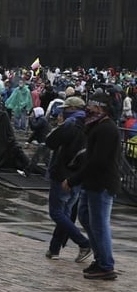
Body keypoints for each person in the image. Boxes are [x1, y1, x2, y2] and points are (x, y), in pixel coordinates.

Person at [64, 90, 121, 280]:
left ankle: (106, 264)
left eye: (91, 106)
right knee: (85, 216)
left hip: (101, 183)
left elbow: (97, 161)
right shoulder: (97, 126)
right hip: (92, 182)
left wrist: (73, 180)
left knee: (99, 224)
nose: (88, 109)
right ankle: (100, 258)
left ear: (100, 107)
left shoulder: (107, 129)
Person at [43, 96, 91, 261]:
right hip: (78, 175)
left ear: (71, 109)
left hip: (63, 172)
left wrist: (60, 125)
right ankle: (54, 248)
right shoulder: (90, 124)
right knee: (65, 214)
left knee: (57, 212)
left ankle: (83, 242)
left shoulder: (71, 124)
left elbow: (50, 141)